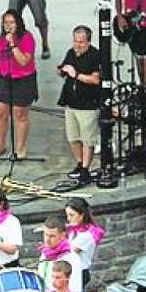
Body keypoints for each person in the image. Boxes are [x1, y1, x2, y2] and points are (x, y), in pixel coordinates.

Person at [0, 9, 38, 159]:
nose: (8, 25)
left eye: (12, 22)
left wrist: (13, 45)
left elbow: (24, 61)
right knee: (0, 112)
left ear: (18, 23)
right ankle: (0, 145)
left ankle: (21, 148)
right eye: (6, 22)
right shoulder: (0, 39)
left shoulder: (27, 37)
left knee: (20, 114)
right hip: (5, 78)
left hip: (23, 79)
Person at [58, 25, 101, 184]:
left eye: (81, 42)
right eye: (76, 41)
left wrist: (76, 74)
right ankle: (79, 162)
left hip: (88, 103)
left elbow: (95, 79)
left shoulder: (95, 55)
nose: (78, 45)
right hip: (71, 102)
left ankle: (86, 168)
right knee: (73, 137)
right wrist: (62, 70)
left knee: (87, 139)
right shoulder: (71, 52)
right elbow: (64, 69)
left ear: (88, 42)